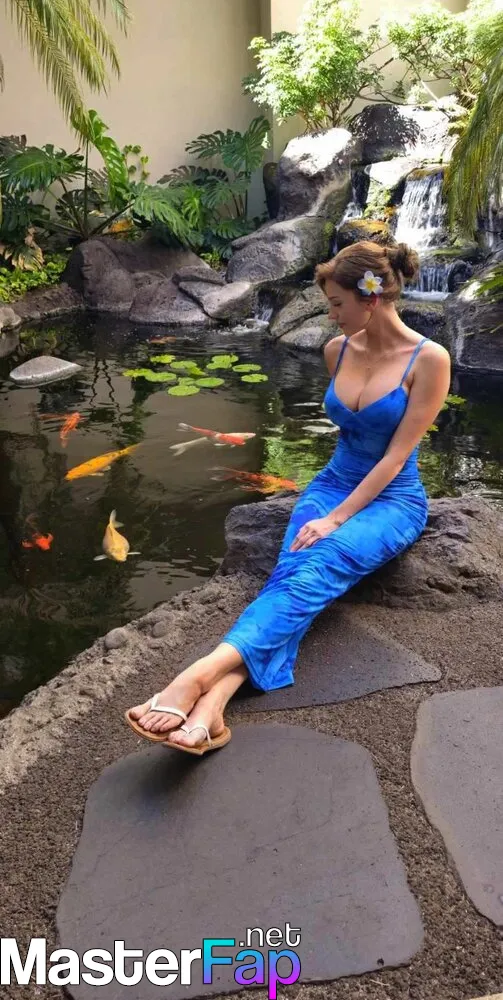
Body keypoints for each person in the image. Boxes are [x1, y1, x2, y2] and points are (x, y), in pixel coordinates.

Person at [126, 240, 451, 755]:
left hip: (393, 499)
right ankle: (214, 705)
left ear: (370, 297)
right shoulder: (337, 350)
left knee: (319, 559)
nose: (331, 315)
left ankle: (194, 677)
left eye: (337, 304)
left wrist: (336, 520)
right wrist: (328, 509)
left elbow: (395, 458)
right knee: (297, 575)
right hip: (331, 482)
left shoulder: (429, 359)